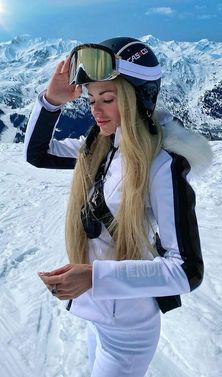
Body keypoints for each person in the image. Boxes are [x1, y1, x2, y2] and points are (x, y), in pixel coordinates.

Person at [24, 37, 212, 377]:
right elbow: (38, 153)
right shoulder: (99, 148)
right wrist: (51, 101)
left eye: (108, 99)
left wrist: (96, 277)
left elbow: (186, 271)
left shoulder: (161, 166)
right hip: (99, 317)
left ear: (136, 99)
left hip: (129, 330)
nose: (95, 109)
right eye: (93, 98)